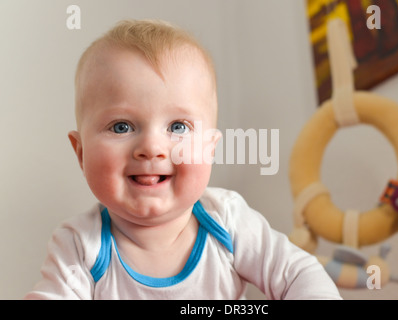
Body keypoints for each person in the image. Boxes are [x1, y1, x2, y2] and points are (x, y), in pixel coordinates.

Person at [25, 19, 341, 300]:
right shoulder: (80, 246)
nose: (151, 147)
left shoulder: (227, 221)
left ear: (210, 148)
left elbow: (299, 274)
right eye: (121, 126)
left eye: (178, 127)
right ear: (81, 153)